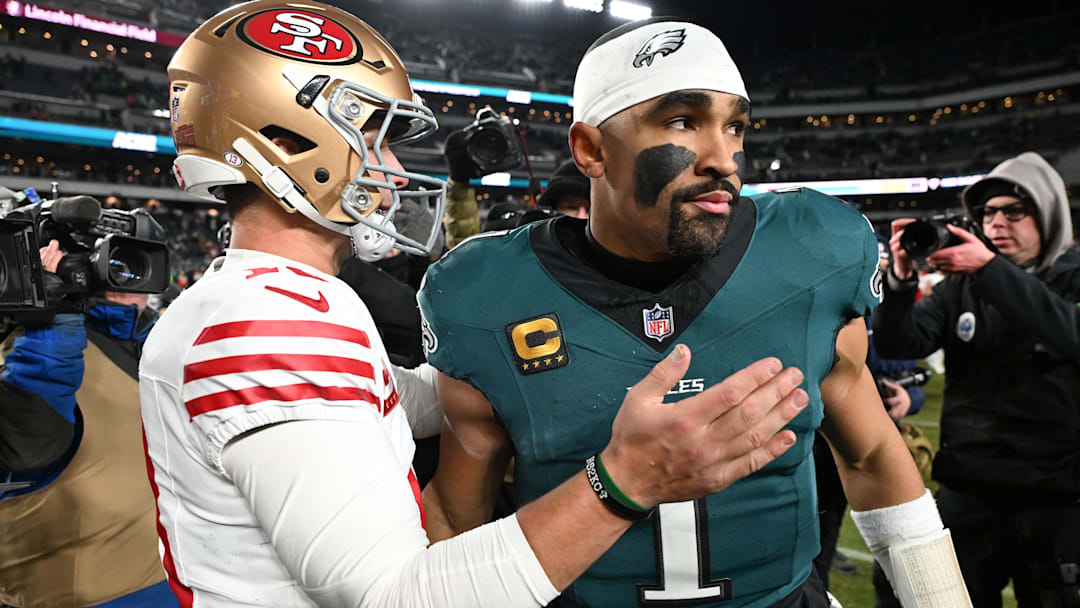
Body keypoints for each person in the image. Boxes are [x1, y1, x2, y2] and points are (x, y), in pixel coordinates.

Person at [141, 3, 808, 605]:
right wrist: (626, 479)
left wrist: (567, 342)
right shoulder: (269, 327)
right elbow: (398, 597)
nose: (396, 173)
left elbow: (409, 399)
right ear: (281, 143)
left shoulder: (270, 306)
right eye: (373, 138)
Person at [419, 17, 969, 608]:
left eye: (734, 127)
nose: (724, 159)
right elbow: (456, 519)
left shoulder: (813, 253)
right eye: (683, 121)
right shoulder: (485, 293)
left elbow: (871, 454)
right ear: (591, 150)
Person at [873, 151, 1080, 607]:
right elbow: (900, 344)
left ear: (1047, 214)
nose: (996, 222)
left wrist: (989, 269)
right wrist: (902, 284)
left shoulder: (1071, 276)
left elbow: (1070, 332)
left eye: (1014, 212)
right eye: (987, 213)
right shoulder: (963, 286)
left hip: (1056, 498)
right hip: (970, 489)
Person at [0, 237, 177, 607]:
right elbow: (28, 444)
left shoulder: (151, 345)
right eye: (107, 267)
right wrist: (49, 320)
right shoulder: (30, 350)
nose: (123, 283)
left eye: (129, 266)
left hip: (172, 579)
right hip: (86, 593)